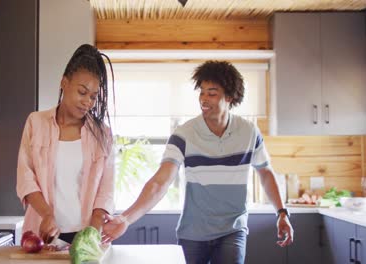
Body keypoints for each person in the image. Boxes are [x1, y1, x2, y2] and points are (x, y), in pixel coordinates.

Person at [102, 61, 294, 264]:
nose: (203, 99)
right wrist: (126, 218)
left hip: (233, 229)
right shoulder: (184, 134)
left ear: (229, 97)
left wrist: (281, 213)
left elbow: (265, 172)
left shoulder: (249, 132)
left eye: (211, 93)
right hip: (193, 233)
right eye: (201, 92)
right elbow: (160, 183)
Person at [16, 44, 115, 244]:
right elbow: (25, 177)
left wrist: (91, 236)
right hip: (42, 235)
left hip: (86, 236)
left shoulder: (102, 134)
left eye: (93, 96)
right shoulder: (36, 123)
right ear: (64, 83)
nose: (88, 101)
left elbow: (106, 190)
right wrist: (47, 215)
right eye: (82, 92)